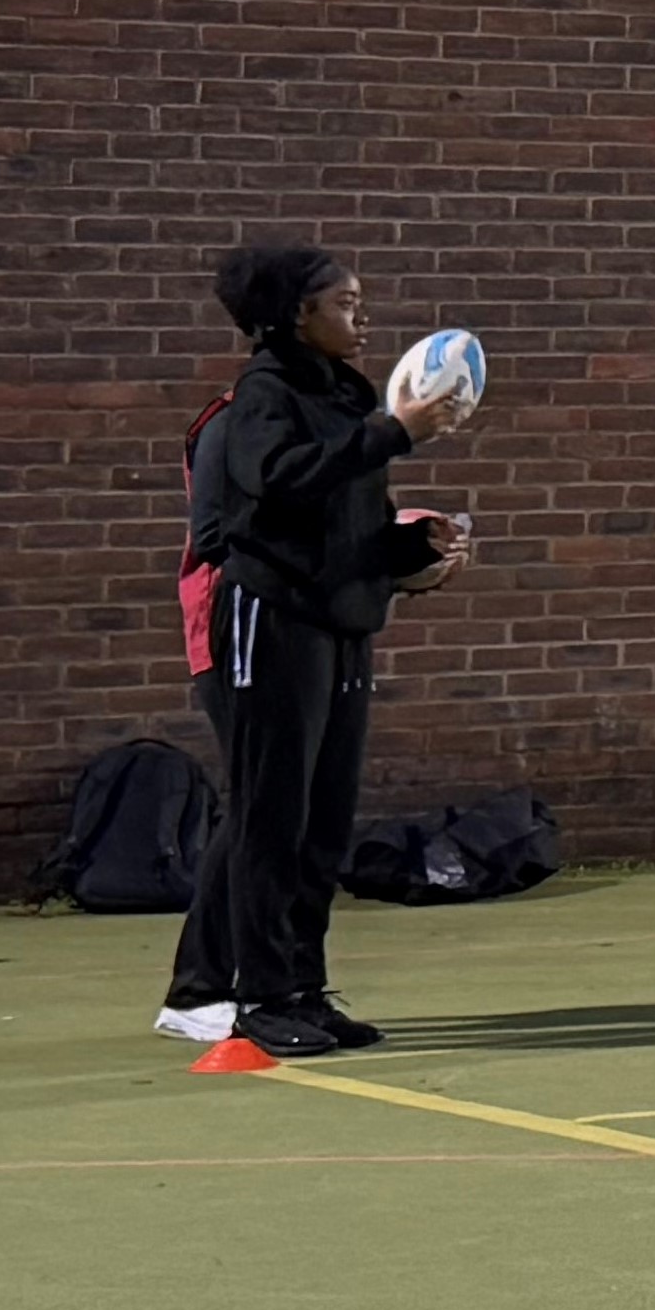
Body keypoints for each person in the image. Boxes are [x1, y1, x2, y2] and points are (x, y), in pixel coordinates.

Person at [160, 244, 475, 1058]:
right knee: (272, 816)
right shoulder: (262, 397)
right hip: (272, 620)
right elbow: (276, 486)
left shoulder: (348, 395)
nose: (360, 317)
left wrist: (410, 548)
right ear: (298, 315)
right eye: (344, 303)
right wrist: (391, 435)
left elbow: (348, 522)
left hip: (341, 625)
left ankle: (303, 986)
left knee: (324, 821)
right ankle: (257, 995)